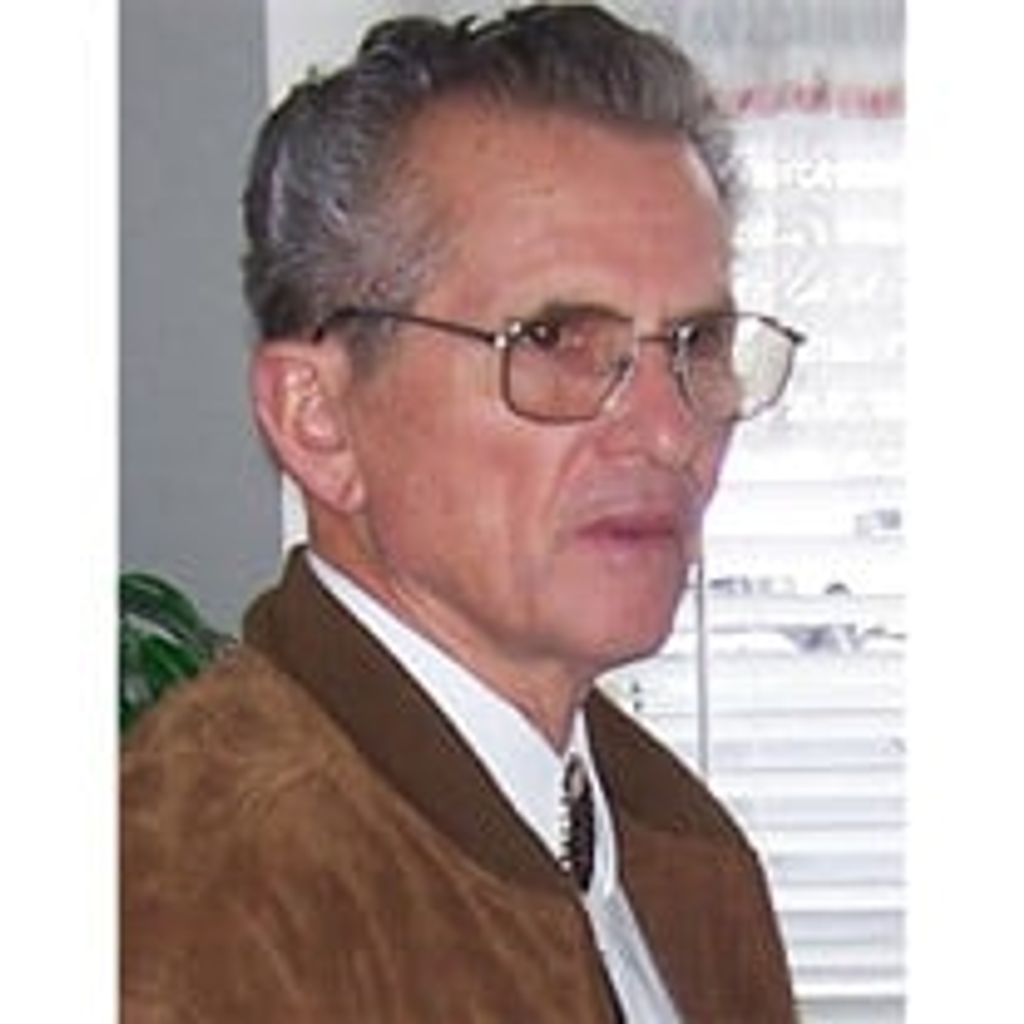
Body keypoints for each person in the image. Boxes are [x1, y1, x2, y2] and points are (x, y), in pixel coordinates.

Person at [121, 5, 805, 1022]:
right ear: (318, 420)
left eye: (697, 344)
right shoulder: (189, 910)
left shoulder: (678, 844)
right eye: (557, 340)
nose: (670, 430)